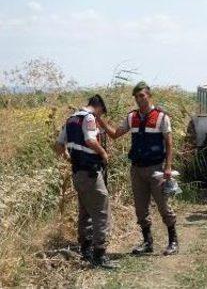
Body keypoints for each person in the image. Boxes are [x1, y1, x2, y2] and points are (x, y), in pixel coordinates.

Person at [97, 81, 179, 256]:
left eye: (142, 95)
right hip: (137, 169)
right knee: (140, 209)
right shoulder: (131, 117)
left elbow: (170, 143)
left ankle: (173, 241)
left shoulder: (162, 117)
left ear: (149, 96)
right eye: (136, 96)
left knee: (164, 206)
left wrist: (168, 167)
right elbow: (115, 135)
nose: (139, 99)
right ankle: (147, 242)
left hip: (156, 169)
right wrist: (99, 121)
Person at [54, 94, 117, 269]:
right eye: (101, 114)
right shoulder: (89, 117)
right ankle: (99, 254)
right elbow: (90, 140)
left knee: (85, 211)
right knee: (101, 211)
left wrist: (70, 157)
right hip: (90, 172)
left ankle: (85, 249)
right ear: (98, 107)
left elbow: (59, 146)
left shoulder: (71, 119)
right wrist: (103, 153)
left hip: (77, 173)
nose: (99, 117)